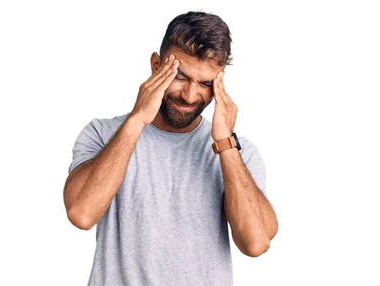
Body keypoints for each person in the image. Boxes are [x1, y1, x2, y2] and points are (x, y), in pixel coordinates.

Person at [63, 11, 278, 285]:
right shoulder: (102, 134)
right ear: (156, 65)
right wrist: (138, 118)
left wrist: (225, 144)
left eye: (205, 83)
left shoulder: (238, 153)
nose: (190, 95)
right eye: (179, 76)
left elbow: (256, 243)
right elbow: (81, 214)